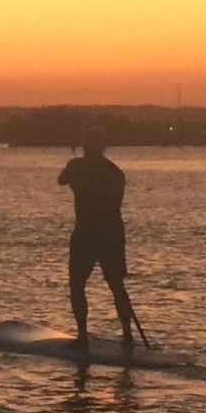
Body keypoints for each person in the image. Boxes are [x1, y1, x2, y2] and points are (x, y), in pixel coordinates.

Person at [57, 128, 137, 349]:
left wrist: (78, 171)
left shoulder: (100, 171)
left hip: (96, 233)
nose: (86, 149)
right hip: (105, 233)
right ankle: (123, 335)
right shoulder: (112, 171)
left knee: (86, 284)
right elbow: (62, 180)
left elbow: (63, 180)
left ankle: (90, 335)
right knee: (109, 284)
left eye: (88, 145)